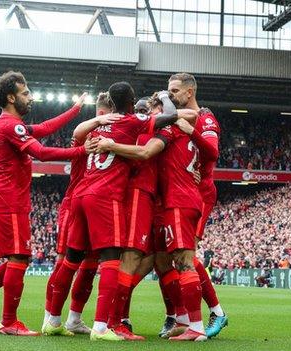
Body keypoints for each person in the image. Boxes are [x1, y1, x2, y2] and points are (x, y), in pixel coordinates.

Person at [0, 71, 89, 336]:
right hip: (9, 200)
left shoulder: (8, 124)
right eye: (26, 93)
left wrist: (75, 110)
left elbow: (45, 128)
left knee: (17, 260)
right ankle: (8, 322)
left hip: (8, 198)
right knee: (19, 259)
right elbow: (40, 152)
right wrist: (83, 151)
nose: (31, 98)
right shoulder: (8, 125)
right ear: (11, 96)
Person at [95, 74, 208, 342]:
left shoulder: (137, 123)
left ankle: (175, 317)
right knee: (134, 258)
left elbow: (191, 117)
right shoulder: (140, 124)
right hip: (139, 194)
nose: (148, 112)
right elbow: (151, 148)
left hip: (154, 198)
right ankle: (115, 321)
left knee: (155, 259)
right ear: (134, 105)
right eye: (144, 108)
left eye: (151, 108)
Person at [46, 81, 156, 341]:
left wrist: (98, 122)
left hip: (81, 194)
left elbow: (77, 129)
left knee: (70, 261)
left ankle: (52, 320)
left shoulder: (95, 128)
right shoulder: (130, 122)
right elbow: (164, 121)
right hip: (106, 197)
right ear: (131, 101)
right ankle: (101, 326)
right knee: (110, 261)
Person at [42, 92, 119, 336]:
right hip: (74, 203)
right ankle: (50, 318)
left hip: (89, 204)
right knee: (65, 263)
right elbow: (75, 134)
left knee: (88, 266)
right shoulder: (87, 135)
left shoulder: (100, 135)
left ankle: (73, 319)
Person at [170, 72, 227, 338]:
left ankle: (217, 312)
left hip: (201, 193)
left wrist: (191, 131)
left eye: (175, 91)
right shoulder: (184, 117)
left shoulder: (205, 118)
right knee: (180, 257)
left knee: (187, 257)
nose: (171, 95)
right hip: (188, 191)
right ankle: (185, 319)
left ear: (189, 92)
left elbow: (213, 152)